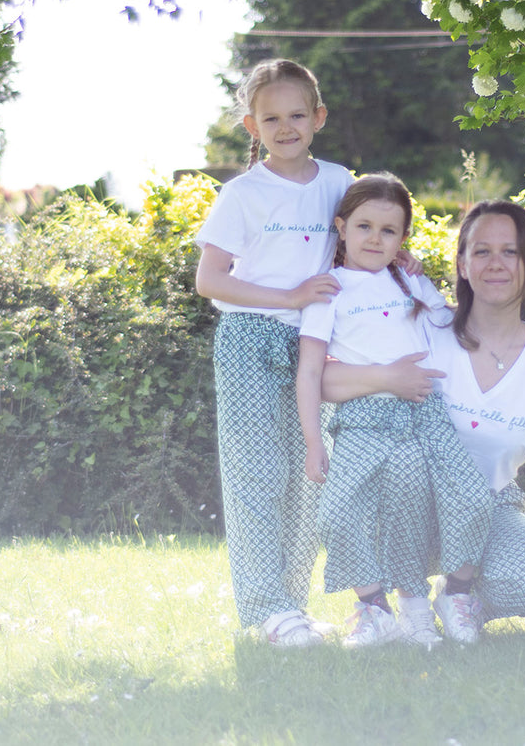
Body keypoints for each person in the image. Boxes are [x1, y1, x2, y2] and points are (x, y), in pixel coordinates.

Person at [322, 200, 525, 640]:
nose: (495, 264)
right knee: (401, 470)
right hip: (405, 506)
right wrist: (388, 376)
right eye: (481, 251)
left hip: (489, 505)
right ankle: (391, 605)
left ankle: (459, 597)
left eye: (511, 252)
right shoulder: (424, 328)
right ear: (462, 264)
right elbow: (324, 380)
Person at [193, 58, 355, 648]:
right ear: (251, 127)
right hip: (250, 340)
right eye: (271, 118)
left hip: (317, 343)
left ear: (318, 117)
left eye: (296, 114)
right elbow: (210, 279)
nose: (286, 127)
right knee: (258, 476)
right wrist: (286, 295)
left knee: (313, 474)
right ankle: (265, 608)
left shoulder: (340, 181)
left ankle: (294, 606)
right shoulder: (242, 195)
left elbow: (362, 247)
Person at [295, 174, 492, 649]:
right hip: (363, 419)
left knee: (467, 500)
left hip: (425, 413)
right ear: (341, 227)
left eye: (389, 231)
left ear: (403, 238)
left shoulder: (407, 282)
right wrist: (314, 441)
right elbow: (308, 371)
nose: (374, 239)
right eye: (363, 226)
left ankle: (442, 599)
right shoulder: (329, 290)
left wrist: (419, 277)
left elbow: (448, 324)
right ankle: (375, 607)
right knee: (336, 514)